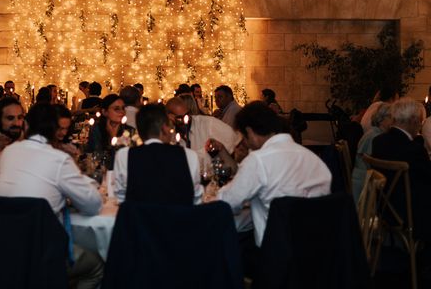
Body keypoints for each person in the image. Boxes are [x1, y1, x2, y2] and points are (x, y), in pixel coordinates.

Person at [0, 102, 104, 289]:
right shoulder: (59, 159)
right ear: (55, 130)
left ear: (26, 125)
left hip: (1, 249)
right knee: (96, 267)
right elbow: (93, 205)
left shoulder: (8, 152)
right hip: (40, 252)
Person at [216, 101, 332, 248]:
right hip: (320, 248)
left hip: (278, 253)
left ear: (250, 132)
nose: (244, 143)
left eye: (243, 137)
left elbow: (227, 203)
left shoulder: (259, 160)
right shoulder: (313, 159)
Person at [113, 103, 203, 205]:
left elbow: (121, 198)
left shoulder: (124, 156)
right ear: (164, 128)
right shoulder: (189, 156)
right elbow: (196, 198)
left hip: (140, 219)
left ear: (140, 131)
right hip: (178, 219)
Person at [372, 98, 431, 242]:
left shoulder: (378, 141)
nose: (420, 126)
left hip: (385, 207)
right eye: (420, 121)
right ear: (412, 120)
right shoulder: (414, 150)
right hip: (409, 213)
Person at [166, 96, 241, 157]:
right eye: (180, 118)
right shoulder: (168, 133)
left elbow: (235, 141)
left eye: (187, 114)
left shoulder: (208, 123)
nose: (186, 120)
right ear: (170, 117)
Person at [351, 102, 391, 203]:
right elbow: (373, 163)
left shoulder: (373, 132)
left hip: (361, 178)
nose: (394, 121)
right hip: (364, 182)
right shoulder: (374, 137)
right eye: (391, 117)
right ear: (382, 119)